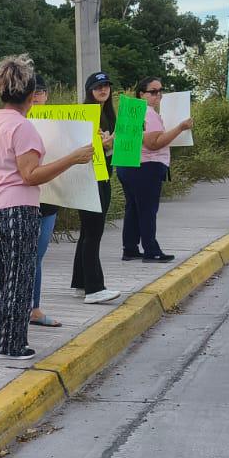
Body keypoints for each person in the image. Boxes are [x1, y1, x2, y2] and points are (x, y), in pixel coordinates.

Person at [0, 55, 98, 365]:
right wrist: (72, 158)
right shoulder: (24, 128)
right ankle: (12, 345)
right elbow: (30, 175)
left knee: (2, 280)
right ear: (31, 96)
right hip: (19, 209)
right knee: (20, 279)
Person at [117, 75, 191, 264]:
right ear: (142, 94)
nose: (158, 95)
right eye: (153, 91)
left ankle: (130, 249)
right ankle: (151, 250)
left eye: (160, 91)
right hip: (146, 167)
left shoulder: (130, 110)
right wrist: (180, 128)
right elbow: (154, 144)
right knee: (147, 210)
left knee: (133, 208)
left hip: (127, 165)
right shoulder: (149, 113)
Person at [69, 71, 123, 304]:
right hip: (88, 178)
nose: (103, 90)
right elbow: (80, 149)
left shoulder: (109, 115)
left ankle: (81, 283)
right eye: (98, 86)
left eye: (107, 86)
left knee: (87, 232)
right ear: (89, 90)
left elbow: (111, 151)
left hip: (103, 177)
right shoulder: (84, 116)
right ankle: (94, 288)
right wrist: (102, 143)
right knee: (93, 233)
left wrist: (117, 142)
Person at [27, 77, 62, 329]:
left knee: (37, 255)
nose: (37, 97)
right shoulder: (18, 124)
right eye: (33, 93)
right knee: (20, 255)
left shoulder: (58, 123)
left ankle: (33, 308)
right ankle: (17, 306)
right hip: (23, 198)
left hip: (49, 198)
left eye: (41, 92)